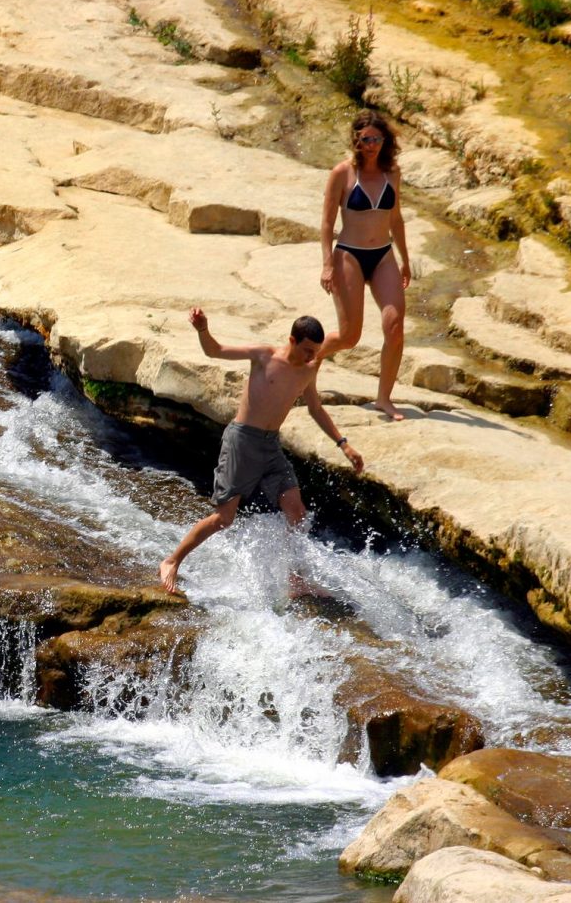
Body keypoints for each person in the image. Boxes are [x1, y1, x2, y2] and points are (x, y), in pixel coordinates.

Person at [158, 308, 364, 594]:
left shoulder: (309, 368)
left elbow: (315, 408)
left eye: (315, 352)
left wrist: (344, 444)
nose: (311, 357)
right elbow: (215, 351)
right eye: (307, 350)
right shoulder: (264, 355)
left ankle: (296, 580)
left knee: (297, 512)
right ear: (292, 340)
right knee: (224, 518)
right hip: (242, 441)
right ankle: (171, 561)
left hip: (270, 445)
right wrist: (203, 330)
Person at [319, 109, 412, 421]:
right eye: (365, 139)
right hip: (349, 255)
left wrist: (405, 260)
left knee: (395, 326)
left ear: (385, 141)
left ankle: (384, 399)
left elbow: (396, 220)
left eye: (377, 139)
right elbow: (327, 220)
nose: (371, 145)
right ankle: (308, 358)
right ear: (355, 140)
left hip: (383, 255)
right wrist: (327, 264)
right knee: (349, 337)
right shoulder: (342, 173)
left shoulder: (392, 173)